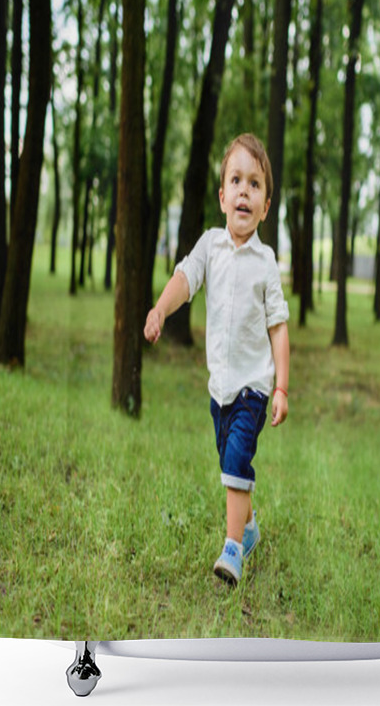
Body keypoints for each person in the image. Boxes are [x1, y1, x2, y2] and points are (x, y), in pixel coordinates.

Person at [144, 133, 290, 587]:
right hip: (220, 388)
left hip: (253, 388)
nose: (245, 190)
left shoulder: (266, 264)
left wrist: (281, 386)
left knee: (235, 462)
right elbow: (185, 279)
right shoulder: (210, 245)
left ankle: (231, 550)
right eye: (236, 180)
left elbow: (279, 328)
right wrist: (159, 309)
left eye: (255, 184)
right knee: (229, 461)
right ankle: (248, 529)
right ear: (223, 195)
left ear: (266, 205)